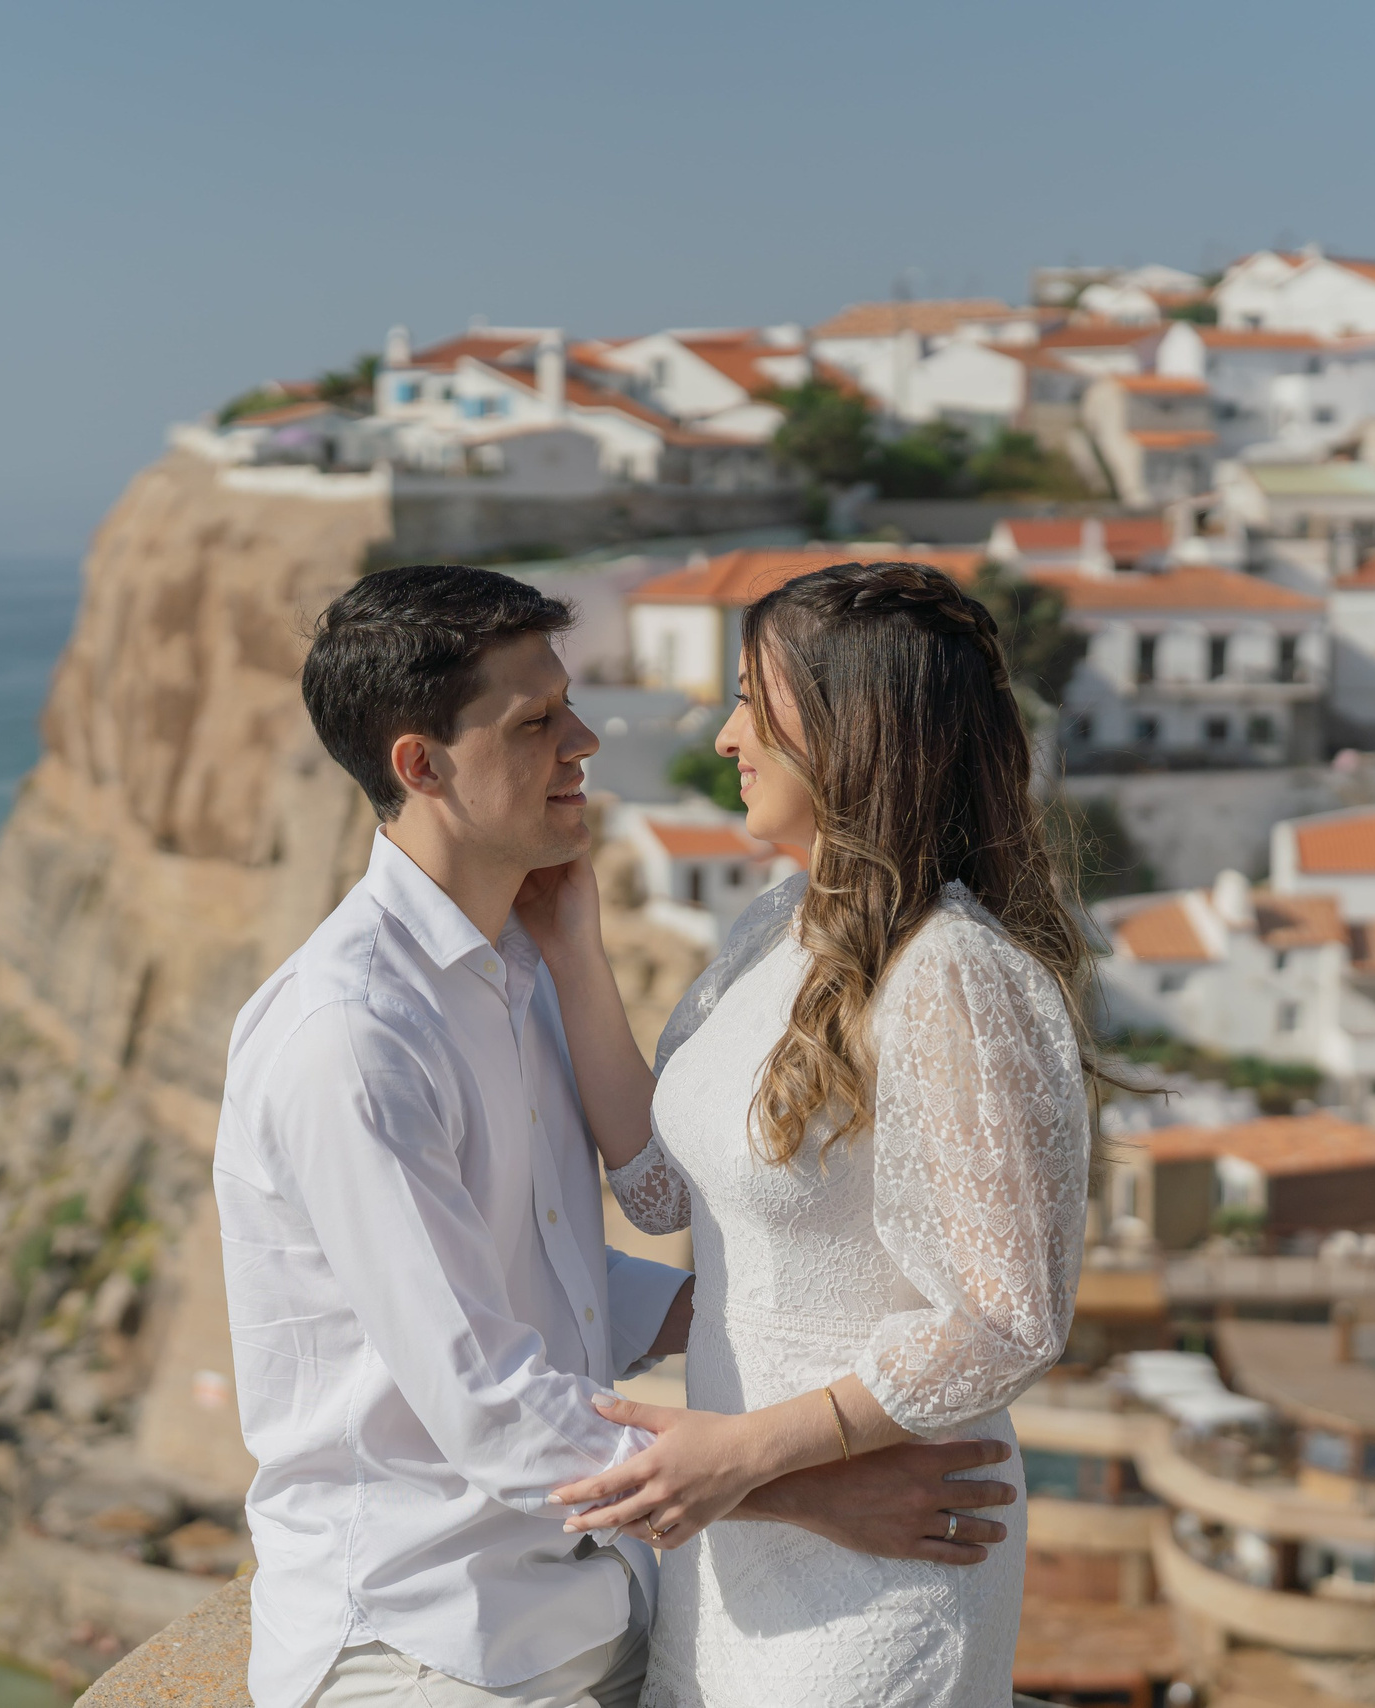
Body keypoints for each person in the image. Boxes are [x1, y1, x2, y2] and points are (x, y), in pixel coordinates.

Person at [214, 564, 1024, 1708]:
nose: (584, 741)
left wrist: (753, 1307)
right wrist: (800, 1488)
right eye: (536, 722)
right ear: (421, 765)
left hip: (598, 1600)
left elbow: (536, 1259)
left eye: (571, 705)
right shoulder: (352, 1037)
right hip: (423, 1635)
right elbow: (487, 1400)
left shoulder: (517, 969)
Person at [519, 560, 1103, 1708]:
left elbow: (1007, 1321)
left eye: (752, 701)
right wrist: (573, 948)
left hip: (887, 1559)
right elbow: (662, 1193)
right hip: (731, 1548)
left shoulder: (953, 973)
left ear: (851, 730)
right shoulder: (768, 930)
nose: (725, 735)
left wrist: (747, 1453)